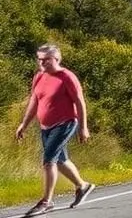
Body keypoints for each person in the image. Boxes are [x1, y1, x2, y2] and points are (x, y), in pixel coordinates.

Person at [14, 44, 95, 216]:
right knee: (60, 160)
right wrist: (24, 124)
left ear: (57, 59)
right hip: (45, 126)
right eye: (40, 59)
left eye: (46, 60)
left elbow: (80, 103)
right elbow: (34, 102)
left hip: (65, 123)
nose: (42, 63)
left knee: (48, 160)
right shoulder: (39, 77)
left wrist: (83, 127)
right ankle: (83, 186)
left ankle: (46, 202)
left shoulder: (67, 77)